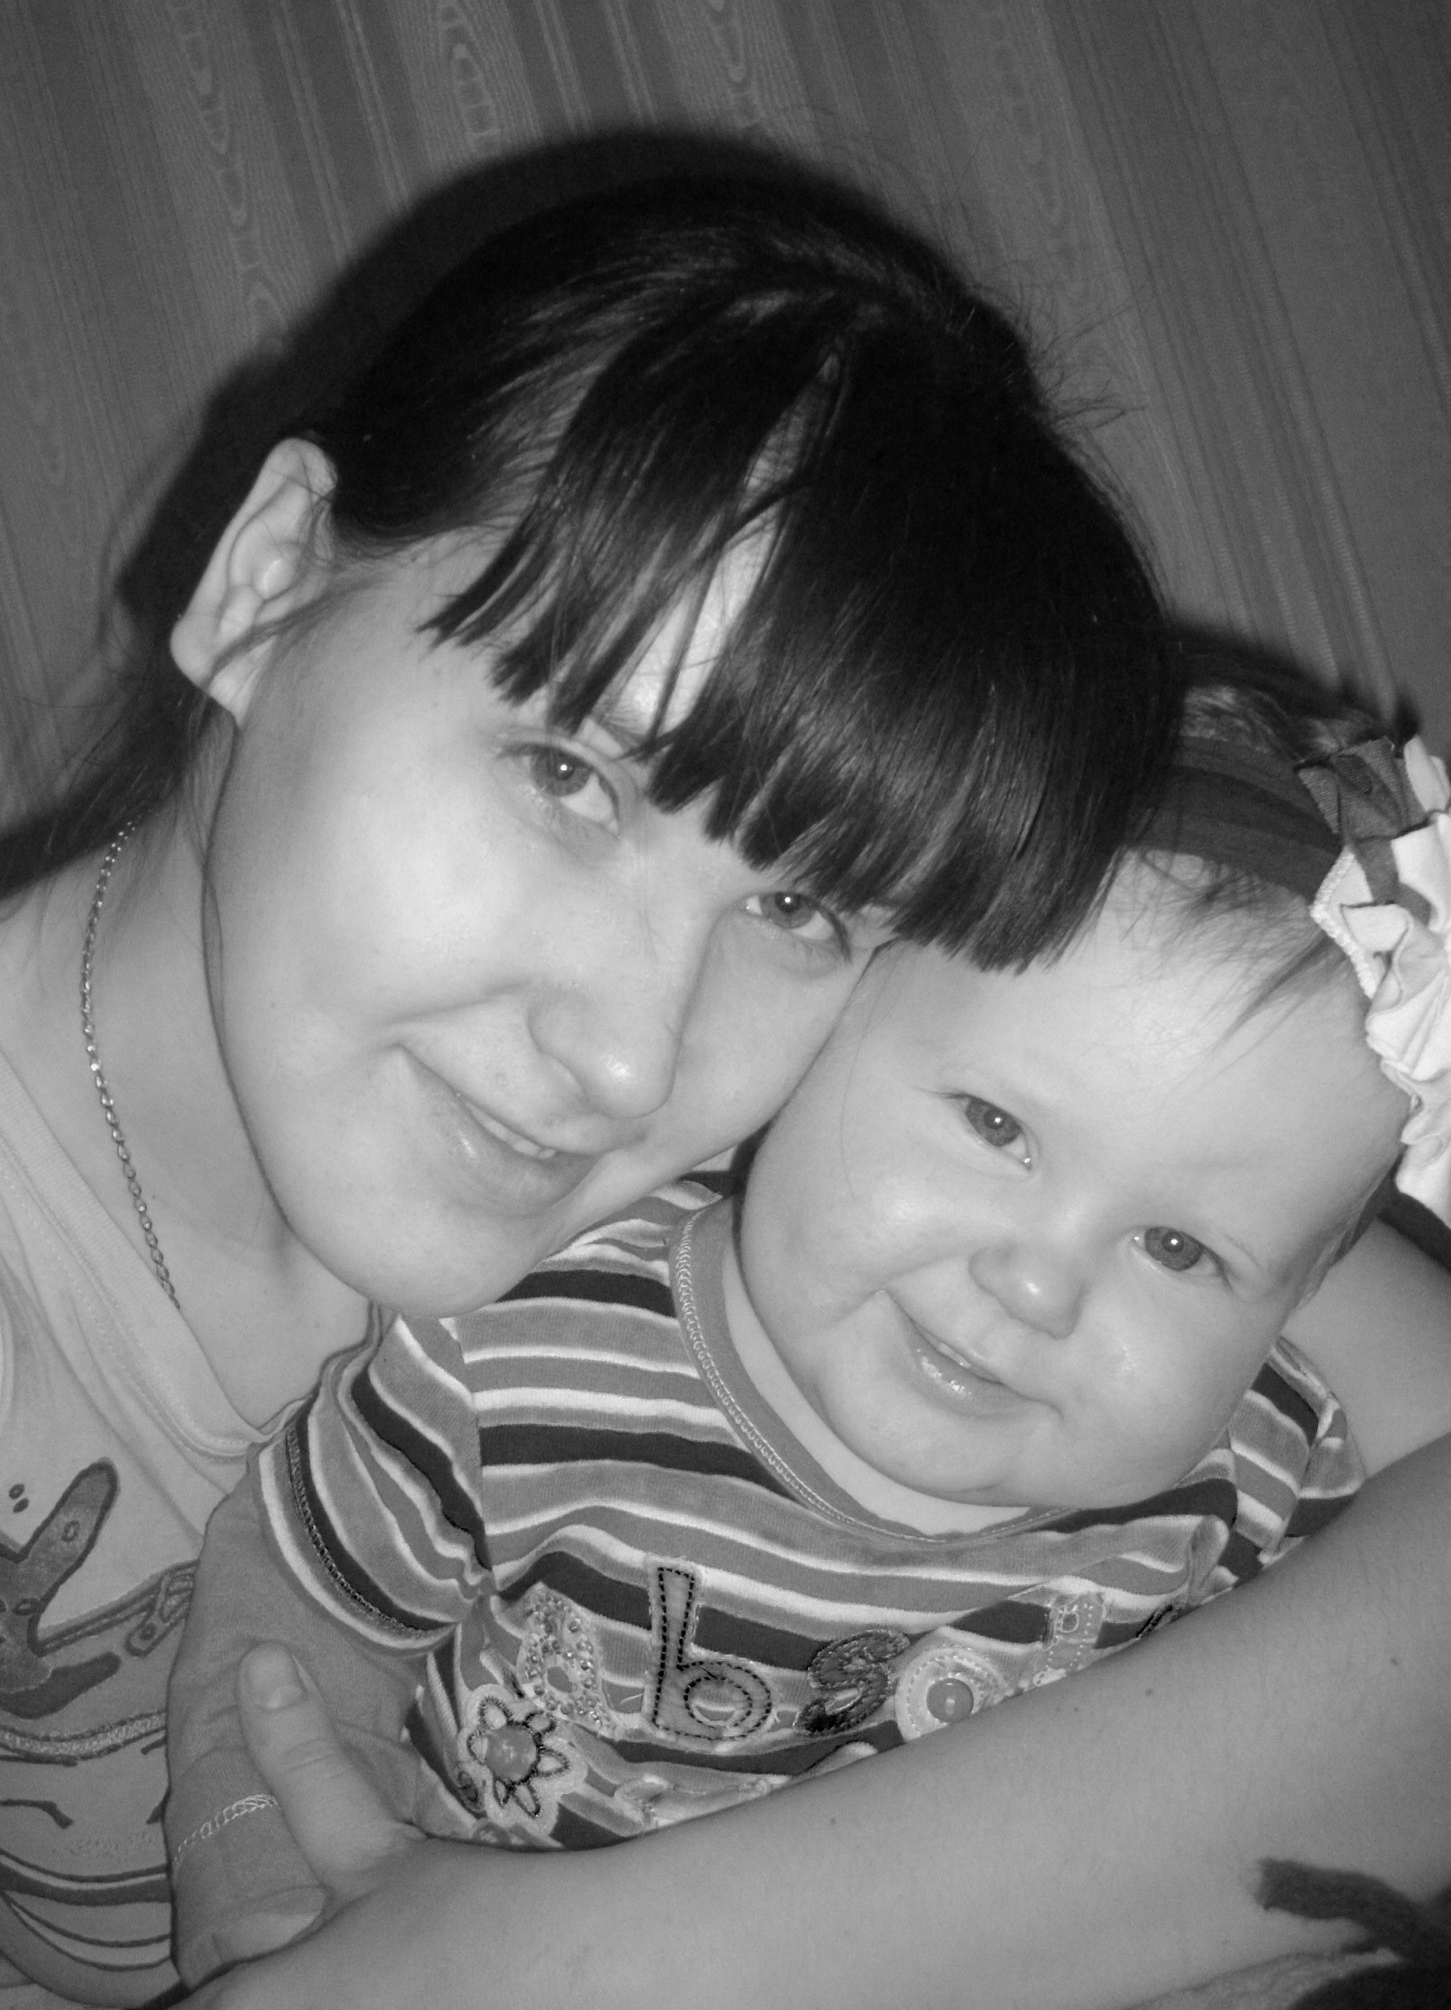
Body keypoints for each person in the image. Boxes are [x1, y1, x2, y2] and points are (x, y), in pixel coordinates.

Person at [0, 162, 1181, 2009]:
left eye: (797, 908)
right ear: (266, 583)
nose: (634, 1058)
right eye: (569, 776)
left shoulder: (870, 1167)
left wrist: (575, 1954)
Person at [162, 664, 1451, 1988]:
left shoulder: (1267, 1478)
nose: (1038, 1285)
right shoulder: (512, 1361)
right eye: (995, 1126)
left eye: (1179, 1248)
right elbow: (291, 1629)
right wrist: (275, 1917)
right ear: (826, 1025)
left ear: (1303, 1294)